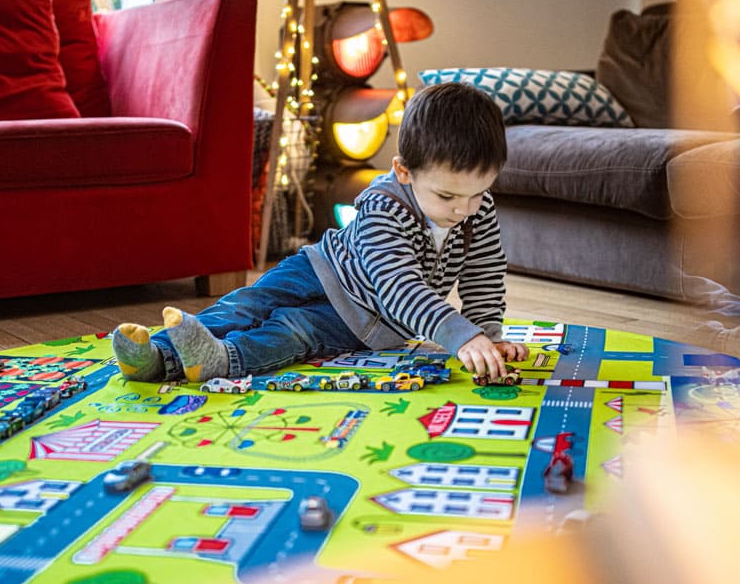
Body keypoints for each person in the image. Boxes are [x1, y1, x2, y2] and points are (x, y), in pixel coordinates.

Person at [112, 82, 528, 384]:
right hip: (320, 267)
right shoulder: (382, 206)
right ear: (403, 171)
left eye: (478, 194)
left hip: (364, 320)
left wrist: (486, 337)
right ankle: (159, 353)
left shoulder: (477, 210)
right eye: (447, 195)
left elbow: (484, 276)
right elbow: (399, 284)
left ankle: (221, 359)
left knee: (292, 330)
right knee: (249, 302)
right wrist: (458, 334)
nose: (464, 209)